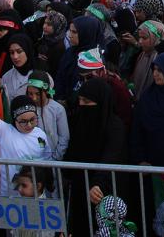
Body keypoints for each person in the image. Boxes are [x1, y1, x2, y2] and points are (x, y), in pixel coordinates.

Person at [65, 77, 126, 237]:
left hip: (105, 191)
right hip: (81, 189)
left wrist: (98, 183)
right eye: (80, 100)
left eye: (86, 101)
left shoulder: (115, 126)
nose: (81, 105)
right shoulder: (79, 120)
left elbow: (111, 156)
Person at [0, 87, 51, 196]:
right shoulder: (4, 131)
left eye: (33, 120)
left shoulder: (40, 134)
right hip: (10, 195)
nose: (29, 125)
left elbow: (47, 158)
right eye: (23, 121)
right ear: (14, 120)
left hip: (37, 195)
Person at [25, 70, 69, 160]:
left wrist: (56, 157)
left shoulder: (58, 109)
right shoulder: (26, 108)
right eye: (30, 94)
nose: (34, 98)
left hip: (54, 158)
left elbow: (64, 137)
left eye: (38, 94)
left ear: (47, 91)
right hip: (32, 158)